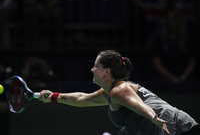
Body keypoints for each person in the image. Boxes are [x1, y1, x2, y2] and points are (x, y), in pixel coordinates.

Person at [39, 50, 200, 135]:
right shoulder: (108, 92)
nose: (92, 69)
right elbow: (81, 99)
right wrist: (53, 97)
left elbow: (137, 105)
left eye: (95, 66)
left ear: (106, 72)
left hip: (174, 128)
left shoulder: (119, 90)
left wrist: (153, 117)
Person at [149, 10, 198, 92]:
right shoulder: (160, 40)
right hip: (163, 78)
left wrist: (183, 77)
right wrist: (171, 77)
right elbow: (157, 62)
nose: (170, 22)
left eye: (173, 20)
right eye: (168, 19)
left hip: (185, 77)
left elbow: (192, 62)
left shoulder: (188, 42)